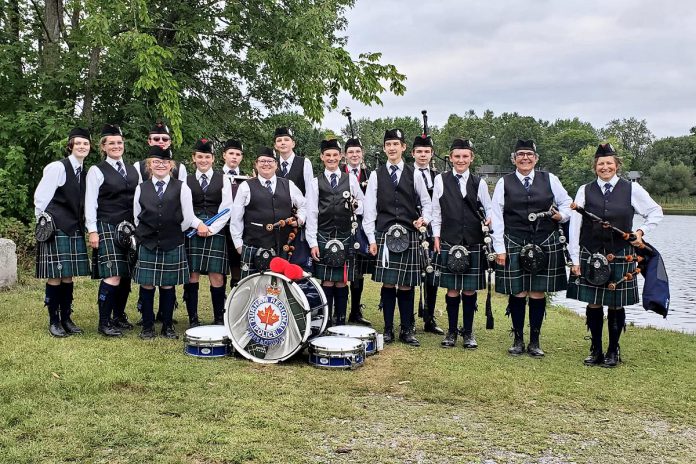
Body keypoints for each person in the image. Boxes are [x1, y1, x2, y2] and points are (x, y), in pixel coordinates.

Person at [567, 143, 663, 367]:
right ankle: (596, 350)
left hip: (620, 254)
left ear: (617, 166)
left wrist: (640, 232)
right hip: (591, 253)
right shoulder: (584, 189)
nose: (605, 167)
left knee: (616, 305)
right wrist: (575, 259)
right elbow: (575, 225)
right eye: (601, 163)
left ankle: (613, 350)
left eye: (609, 163)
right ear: (595, 167)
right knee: (593, 303)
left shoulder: (632, 189)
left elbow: (655, 212)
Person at [491, 139, 572, 357]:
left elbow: (567, 203)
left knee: (537, 291)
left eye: (529, 154)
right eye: (520, 154)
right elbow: (496, 216)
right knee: (518, 291)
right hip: (514, 239)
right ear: (514, 158)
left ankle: (534, 341)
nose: (525, 158)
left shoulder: (550, 179)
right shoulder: (504, 183)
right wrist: (500, 247)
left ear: (536, 158)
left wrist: (561, 215)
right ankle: (518, 339)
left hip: (544, 240)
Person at [363, 129, 432, 346]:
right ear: (384, 148)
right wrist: (371, 239)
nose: (392, 148)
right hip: (384, 234)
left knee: (406, 285)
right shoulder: (376, 174)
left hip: (408, 234)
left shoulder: (416, 174)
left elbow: (428, 203)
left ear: (403, 148)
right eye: (388, 144)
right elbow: (369, 209)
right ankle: (388, 329)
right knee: (388, 283)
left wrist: (425, 219)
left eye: (396, 144)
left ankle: (407, 329)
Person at [132, 146, 208, 339]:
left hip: (172, 240)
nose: (161, 165)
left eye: (165, 162)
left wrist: (172, 232)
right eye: (156, 162)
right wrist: (148, 233)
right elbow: (136, 217)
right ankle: (147, 326)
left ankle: (167, 326)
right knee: (147, 284)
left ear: (171, 165)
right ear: (150, 165)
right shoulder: (141, 187)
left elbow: (188, 217)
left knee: (168, 285)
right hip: (148, 242)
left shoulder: (181, 186)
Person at [432, 138, 492, 348]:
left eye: (465, 156)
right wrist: (436, 237)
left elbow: (489, 208)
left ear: (471, 158)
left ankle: (468, 332)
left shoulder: (479, 183)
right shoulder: (441, 179)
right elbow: (435, 211)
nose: (461, 160)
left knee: (469, 290)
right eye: (457, 156)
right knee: (452, 290)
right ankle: (450, 332)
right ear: (450, 158)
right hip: (449, 239)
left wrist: (489, 219)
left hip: (474, 241)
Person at [34, 127, 91, 337]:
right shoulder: (57, 167)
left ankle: (66, 317)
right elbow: (41, 199)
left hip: (73, 227)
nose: (82, 147)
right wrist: (44, 225)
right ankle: (54, 320)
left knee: (68, 276)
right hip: (56, 227)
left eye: (86, 144)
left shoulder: (84, 172)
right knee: (55, 276)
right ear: (71, 146)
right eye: (78, 143)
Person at [85, 124, 139, 337]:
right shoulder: (96, 170)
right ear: (104, 147)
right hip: (107, 225)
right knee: (113, 275)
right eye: (112, 143)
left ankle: (118, 316)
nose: (116, 146)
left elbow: (139, 200)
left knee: (126, 275)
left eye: (119, 143)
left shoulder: (134, 170)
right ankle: (104, 322)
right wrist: (92, 230)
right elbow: (90, 203)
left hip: (130, 228)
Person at [306, 139, 364, 326]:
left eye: (335, 155)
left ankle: (340, 321)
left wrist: (355, 205)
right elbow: (312, 213)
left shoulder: (351, 179)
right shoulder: (315, 182)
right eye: (328, 155)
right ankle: (326, 320)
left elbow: (363, 206)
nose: (332, 158)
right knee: (327, 280)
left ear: (341, 157)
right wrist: (313, 242)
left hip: (345, 234)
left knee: (342, 281)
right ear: (322, 157)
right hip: (324, 234)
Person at [230, 147, 306, 277]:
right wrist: (238, 245)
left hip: (282, 246)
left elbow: (304, 205)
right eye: (262, 161)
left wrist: (299, 219)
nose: (266, 164)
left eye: (270, 161)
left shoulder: (289, 185)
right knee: (252, 288)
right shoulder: (245, 187)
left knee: (279, 289)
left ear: (276, 164)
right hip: (253, 245)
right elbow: (236, 217)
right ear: (256, 164)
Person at [182, 139, 232, 327]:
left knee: (217, 275)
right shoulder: (185, 181)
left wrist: (211, 228)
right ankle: (193, 319)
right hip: (192, 229)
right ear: (194, 158)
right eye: (200, 157)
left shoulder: (223, 179)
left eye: (207, 157)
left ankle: (219, 318)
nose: (203, 160)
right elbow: (184, 209)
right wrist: (197, 225)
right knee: (191, 274)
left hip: (215, 229)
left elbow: (227, 208)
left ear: (213, 159)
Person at [411, 132, 443, 335]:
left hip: (432, 230)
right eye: (419, 152)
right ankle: (410, 319)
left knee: (432, 274)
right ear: (412, 153)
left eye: (427, 152)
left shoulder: (438, 177)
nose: (423, 155)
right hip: (412, 228)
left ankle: (429, 318)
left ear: (432, 154)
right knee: (411, 275)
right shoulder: (406, 174)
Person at [274, 126, 314, 270]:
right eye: (279, 140)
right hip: (277, 221)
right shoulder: (271, 164)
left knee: (296, 265)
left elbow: (310, 193)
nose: (283, 143)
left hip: (298, 222)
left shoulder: (304, 162)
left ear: (293, 143)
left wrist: (302, 220)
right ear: (275, 145)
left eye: (286, 139)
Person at [343, 136, 372, 326]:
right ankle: (337, 311)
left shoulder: (370, 174)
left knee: (358, 270)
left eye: (357, 152)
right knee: (339, 268)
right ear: (345, 156)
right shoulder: (337, 173)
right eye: (351, 152)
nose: (354, 155)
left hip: (362, 227)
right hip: (341, 226)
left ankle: (355, 311)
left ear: (362, 154)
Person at [221, 138, 247, 290]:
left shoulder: (247, 179)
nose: (234, 157)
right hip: (220, 228)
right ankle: (221, 308)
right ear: (224, 155)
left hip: (239, 228)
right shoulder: (217, 177)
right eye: (231, 153)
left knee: (238, 269)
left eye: (238, 154)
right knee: (219, 271)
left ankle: (235, 305)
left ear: (241, 157)